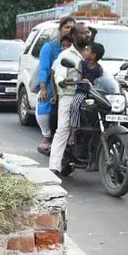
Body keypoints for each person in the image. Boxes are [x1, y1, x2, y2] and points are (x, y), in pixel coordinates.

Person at [50, 23, 93, 176]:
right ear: (74, 36)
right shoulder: (66, 55)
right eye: (83, 33)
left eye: (88, 32)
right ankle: (54, 166)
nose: (87, 35)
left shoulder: (92, 53)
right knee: (63, 128)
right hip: (70, 94)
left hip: (91, 94)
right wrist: (63, 81)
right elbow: (59, 75)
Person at [35, 16, 76, 155]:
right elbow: (44, 69)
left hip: (74, 86)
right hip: (53, 85)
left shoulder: (78, 48)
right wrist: (44, 89)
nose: (70, 30)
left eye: (72, 28)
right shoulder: (50, 47)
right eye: (67, 27)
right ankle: (47, 137)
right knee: (44, 108)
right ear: (60, 29)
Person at [67, 41, 106, 143]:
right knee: (75, 104)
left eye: (87, 50)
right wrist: (81, 80)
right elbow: (79, 77)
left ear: (93, 55)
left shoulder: (99, 68)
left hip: (93, 93)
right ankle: (73, 131)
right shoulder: (82, 64)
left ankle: (101, 130)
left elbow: (101, 81)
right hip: (82, 91)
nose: (85, 51)